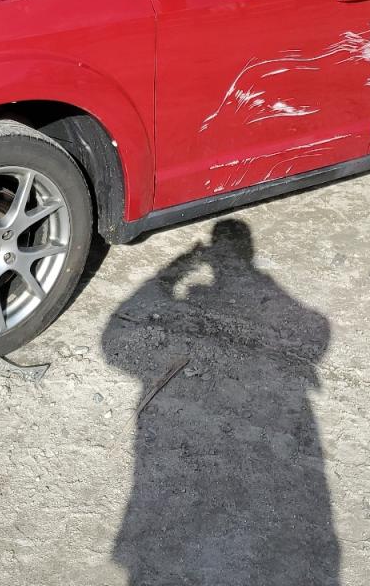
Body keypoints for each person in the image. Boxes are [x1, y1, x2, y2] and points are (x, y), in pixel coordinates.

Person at [102, 218, 339, 585]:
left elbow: (112, 346)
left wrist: (174, 270)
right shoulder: (265, 289)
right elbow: (317, 332)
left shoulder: (246, 291)